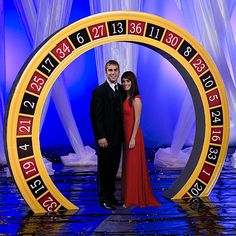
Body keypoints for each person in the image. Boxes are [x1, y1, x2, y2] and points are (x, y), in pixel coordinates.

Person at [121, 71, 160, 208]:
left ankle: (132, 199)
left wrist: (132, 138)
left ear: (133, 83)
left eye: (128, 81)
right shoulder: (125, 98)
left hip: (133, 136)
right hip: (126, 136)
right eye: (124, 81)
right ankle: (129, 197)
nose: (126, 83)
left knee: (133, 167)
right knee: (128, 167)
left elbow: (137, 120)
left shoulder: (136, 99)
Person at [90, 60, 125, 210]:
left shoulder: (122, 90)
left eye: (115, 70)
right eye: (110, 70)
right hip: (105, 139)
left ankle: (111, 197)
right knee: (104, 169)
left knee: (113, 168)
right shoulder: (99, 91)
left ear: (118, 71)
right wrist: (100, 136)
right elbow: (96, 117)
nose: (113, 73)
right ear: (106, 72)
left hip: (118, 138)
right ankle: (103, 198)